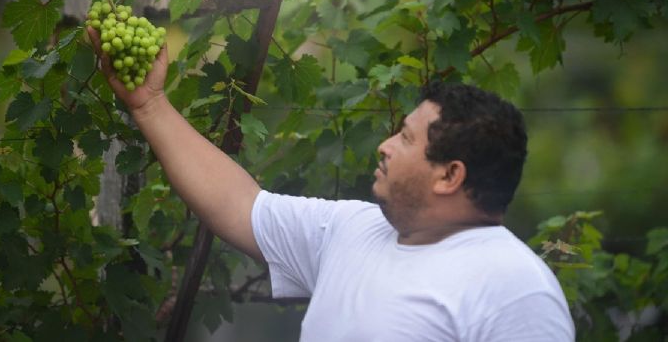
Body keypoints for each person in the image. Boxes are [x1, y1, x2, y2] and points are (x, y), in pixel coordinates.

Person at [87, 27, 576, 341]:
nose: (385, 146)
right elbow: (237, 203)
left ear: (450, 175)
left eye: (405, 139)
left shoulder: (515, 290)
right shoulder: (353, 231)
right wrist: (149, 106)